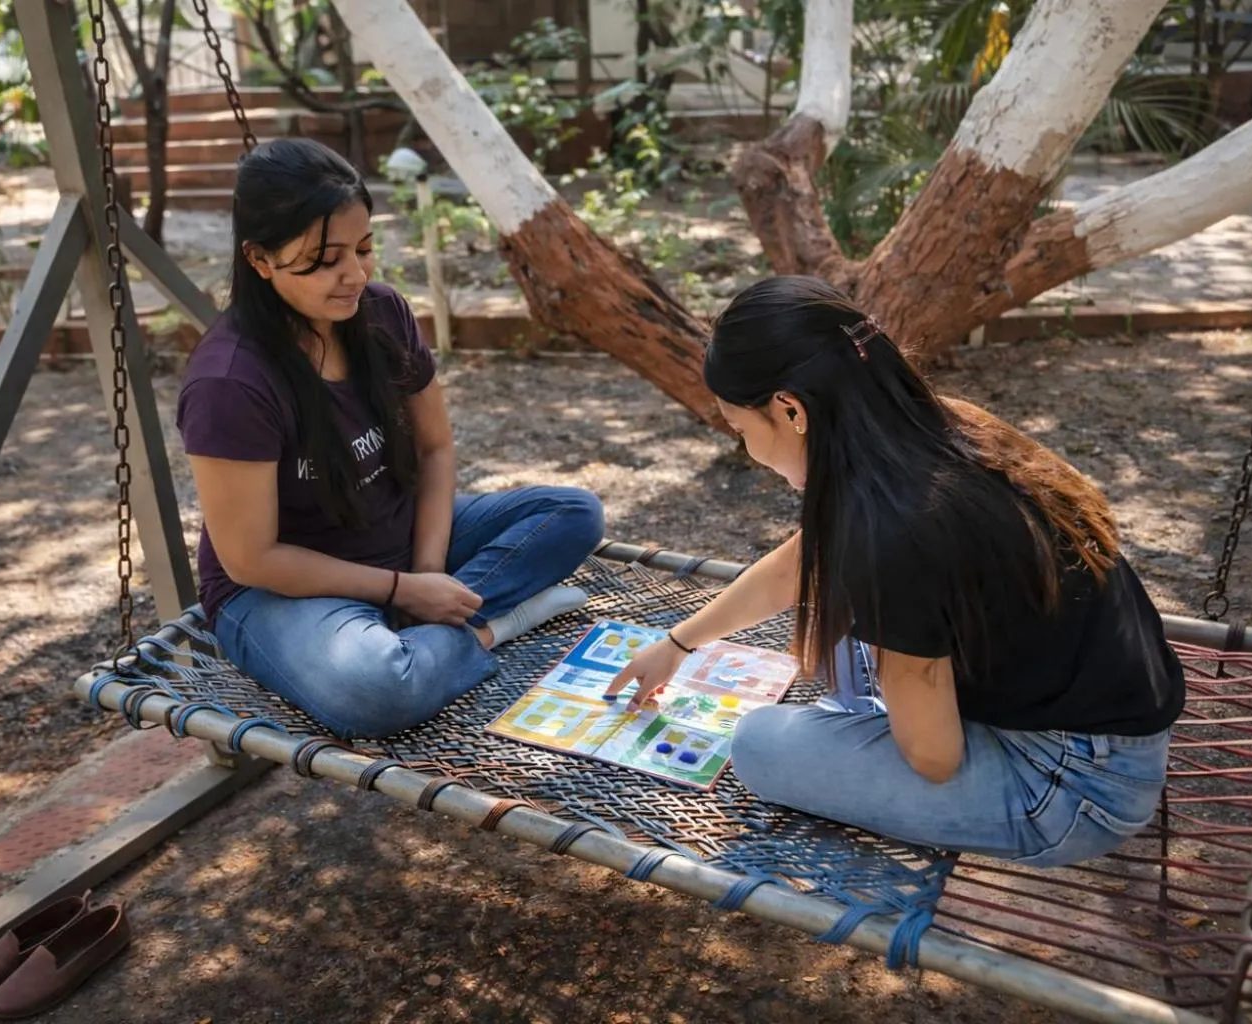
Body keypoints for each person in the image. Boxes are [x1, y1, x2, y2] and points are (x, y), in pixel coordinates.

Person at [607, 276, 1185, 867]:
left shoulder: (893, 530)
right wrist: (679, 645)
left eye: (742, 429)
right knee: (840, 642)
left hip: (1071, 789)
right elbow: (798, 567)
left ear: (790, 408)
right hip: (1092, 726)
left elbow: (934, 759)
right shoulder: (926, 429)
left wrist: (889, 696)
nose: (749, 449)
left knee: (757, 744)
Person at [176, 138, 604, 740]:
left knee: (572, 512)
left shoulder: (381, 315)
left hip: (398, 541)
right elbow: (252, 557)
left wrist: (427, 577)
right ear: (260, 258)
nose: (355, 274)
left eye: (365, 248)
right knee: (374, 690)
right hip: (284, 588)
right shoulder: (230, 383)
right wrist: (402, 588)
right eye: (324, 261)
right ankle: (490, 627)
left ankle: (435, 627)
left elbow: (434, 448)